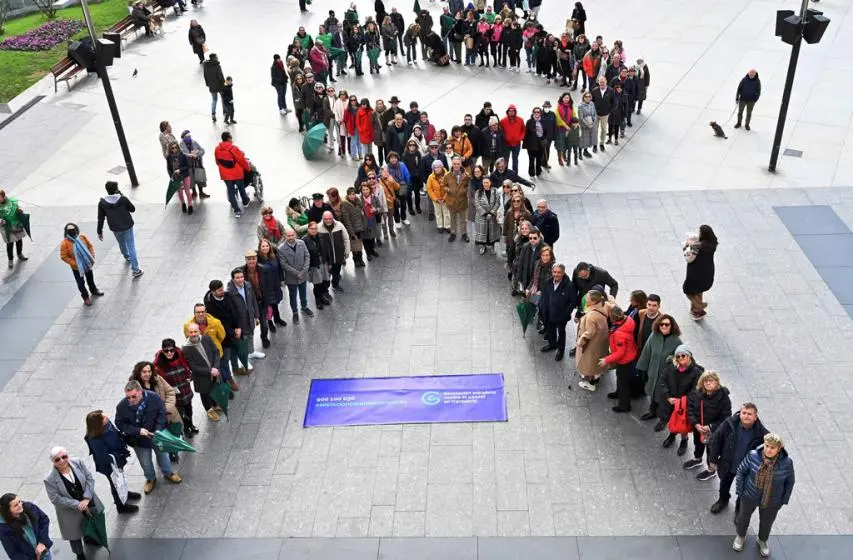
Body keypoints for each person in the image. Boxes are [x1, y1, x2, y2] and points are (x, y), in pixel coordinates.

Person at [115, 380, 182, 494]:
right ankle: (150, 479)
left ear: (140, 392)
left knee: (163, 456)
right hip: (139, 440)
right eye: (128, 397)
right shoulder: (121, 406)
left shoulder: (154, 398)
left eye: (133, 396)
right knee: (145, 462)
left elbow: (162, 413)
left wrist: (158, 430)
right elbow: (119, 423)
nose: (130, 400)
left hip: (156, 436)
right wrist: (138, 430)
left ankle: (168, 473)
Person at [733, 434, 795, 557]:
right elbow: (741, 472)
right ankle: (740, 535)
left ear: (779, 449)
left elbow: (790, 482)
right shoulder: (752, 456)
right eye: (767, 446)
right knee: (743, 518)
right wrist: (741, 492)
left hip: (772, 500)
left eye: (772, 447)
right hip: (749, 495)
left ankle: (762, 540)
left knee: (767, 522)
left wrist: (783, 500)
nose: (768, 450)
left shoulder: (787, 463)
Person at [707, 402, 770, 513]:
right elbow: (716, 440)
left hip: (746, 468)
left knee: (743, 490)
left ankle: (738, 508)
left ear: (755, 417)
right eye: (744, 413)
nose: (746, 416)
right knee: (724, 485)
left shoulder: (762, 433)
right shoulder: (729, 424)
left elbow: (772, 448)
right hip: (728, 463)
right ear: (740, 414)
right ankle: (723, 500)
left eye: (749, 414)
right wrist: (713, 459)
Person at [43, 446, 104, 560]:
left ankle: (90, 538)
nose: (62, 461)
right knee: (74, 535)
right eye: (57, 459)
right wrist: (78, 504)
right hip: (70, 510)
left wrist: (86, 498)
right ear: (53, 461)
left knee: (90, 521)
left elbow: (89, 478)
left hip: (88, 503)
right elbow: (55, 498)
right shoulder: (50, 479)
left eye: (64, 457)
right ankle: (79, 554)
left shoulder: (78, 463)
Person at [84, 410, 141, 514]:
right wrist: (117, 458)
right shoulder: (95, 439)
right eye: (103, 417)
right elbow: (103, 457)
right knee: (115, 484)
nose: (106, 417)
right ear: (98, 423)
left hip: (118, 459)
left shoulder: (107, 425)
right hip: (110, 466)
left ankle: (125, 493)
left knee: (120, 480)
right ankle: (121, 506)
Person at [659, 345, 705, 454]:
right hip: (672, 401)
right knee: (672, 420)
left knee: (683, 424)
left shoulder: (697, 372)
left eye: (683, 355)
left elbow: (696, 390)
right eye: (678, 356)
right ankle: (672, 435)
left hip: (685, 404)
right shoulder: (671, 367)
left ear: (689, 356)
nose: (680, 358)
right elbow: (663, 381)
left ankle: (684, 440)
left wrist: (681, 401)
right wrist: (668, 397)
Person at [684, 371, 732, 471]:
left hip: (714, 431)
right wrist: (696, 424)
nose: (708, 383)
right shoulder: (696, 393)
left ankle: (711, 470)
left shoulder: (723, 397)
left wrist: (710, 427)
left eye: (711, 381)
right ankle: (697, 458)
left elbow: (726, 417)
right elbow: (690, 409)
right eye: (705, 381)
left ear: (717, 382)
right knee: (698, 443)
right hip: (699, 428)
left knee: (712, 451)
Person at [93, 181, 142, 278]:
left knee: (121, 243)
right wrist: (122, 196)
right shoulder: (123, 199)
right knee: (131, 245)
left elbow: (100, 218)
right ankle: (136, 269)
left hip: (115, 228)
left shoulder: (102, 203)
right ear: (116, 189)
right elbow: (132, 209)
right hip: (127, 225)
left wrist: (99, 231)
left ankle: (126, 256)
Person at [202, 282, 241, 388]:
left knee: (233, 353)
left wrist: (238, 327)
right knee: (224, 360)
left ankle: (236, 369)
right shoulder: (210, 306)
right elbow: (221, 324)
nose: (222, 291)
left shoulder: (227, 296)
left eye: (222, 288)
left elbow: (235, 311)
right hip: (223, 338)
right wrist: (233, 333)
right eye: (219, 290)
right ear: (213, 292)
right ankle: (228, 379)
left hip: (233, 332)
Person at [600, 305, 638, 412]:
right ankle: (618, 392)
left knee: (623, 382)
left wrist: (606, 360)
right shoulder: (628, 320)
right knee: (620, 378)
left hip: (625, 360)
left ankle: (624, 405)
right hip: (630, 355)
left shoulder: (619, 334)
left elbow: (620, 352)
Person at [183, 322, 223, 421]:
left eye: (195, 331)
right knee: (204, 394)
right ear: (187, 333)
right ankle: (209, 410)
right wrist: (210, 371)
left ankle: (215, 404)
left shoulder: (206, 338)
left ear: (199, 331)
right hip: (201, 376)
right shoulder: (186, 348)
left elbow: (216, 352)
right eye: (191, 332)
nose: (193, 334)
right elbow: (193, 367)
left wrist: (215, 367)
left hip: (214, 371)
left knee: (214, 388)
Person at [226, 268, 264, 372]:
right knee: (242, 341)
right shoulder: (230, 292)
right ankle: (243, 360)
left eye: (241, 276)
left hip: (250, 317)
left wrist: (256, 315)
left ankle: (251, 352)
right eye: (237, 277)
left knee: (251, 334)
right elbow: (231, 311)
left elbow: (253, 301)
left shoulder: (248, 285)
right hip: (239, 321)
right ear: (233, 279)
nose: (240, 279)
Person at [539, 263, 577, 361]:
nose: (556, 274)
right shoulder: (548, 282)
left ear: (563, 273)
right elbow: (544, 296)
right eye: (554, 272)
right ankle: (552, 344)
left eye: (559, 272)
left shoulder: (570, 285)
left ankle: (560, 349)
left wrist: (565, 314)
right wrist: (543, 309)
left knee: (561, 332)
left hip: (561, 316)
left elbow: (573, 301)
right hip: (549, 313)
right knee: (550, 330)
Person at [0, 493, 53, 560]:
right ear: (7, 510)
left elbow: (44, 520)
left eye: (19, 501)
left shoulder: (30, 507)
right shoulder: (4, 529)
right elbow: (13, 552)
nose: (20, 505)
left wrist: (42, 542)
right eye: (16, 505)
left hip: (43, 550)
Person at [575, 290, 610, 391]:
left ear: (593, 302)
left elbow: (590, 332)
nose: (586, 299)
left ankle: (591, 382)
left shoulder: (591, 316)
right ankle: (595, 376)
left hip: (592, 343)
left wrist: (581, 340)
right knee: (597, 359)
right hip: (601, 340)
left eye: (588, 298)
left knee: (590, 361)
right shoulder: (605, 304)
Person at [60, 223, 102, 306]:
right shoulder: (65, 243)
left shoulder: (82, 237)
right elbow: (64, 256)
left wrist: (92, 255)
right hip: (76, 268)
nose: (72, 232)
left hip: (87, 264)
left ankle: (94, 290)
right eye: (69, 230)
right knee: (80, 283)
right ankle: (85, 297)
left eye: (73, 229)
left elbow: (90, 246)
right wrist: (75, 263)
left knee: (90, 278)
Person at [278, 229, 314, 322]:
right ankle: (295, 312)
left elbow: (307, 256)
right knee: (293, 296)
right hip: (291, 277)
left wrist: (304, 271)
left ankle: (304, 307)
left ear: (295, 235)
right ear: (285, 236)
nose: (290, 237)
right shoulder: (281, 248)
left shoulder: (301, 243)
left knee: (303, 293)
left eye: (292, 235)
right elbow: (284, 264)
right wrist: (297, 273)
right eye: (288, 236)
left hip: (303, 275)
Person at [683, 224, 717, 320]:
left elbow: (688, 255)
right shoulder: (713, 244)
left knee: (688, 290)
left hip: (696, 270)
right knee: (698, 290)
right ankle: (697, 312)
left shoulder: (698, 245)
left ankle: (699, 305)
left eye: (700, 232)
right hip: (708, 269)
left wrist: (687, 244)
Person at [214, 132, 252, 218]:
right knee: (241, 188)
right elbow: (241, 160)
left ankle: (237, 210)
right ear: (228, 139)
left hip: (225, 175)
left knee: (230, 192)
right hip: (237, 174)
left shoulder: (217, 149)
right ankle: (245, 201)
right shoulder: (234, 148)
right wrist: (248, 169)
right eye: (231, 138)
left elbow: (217, 161)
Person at [257, 239, 288, 328]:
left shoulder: (274, 256)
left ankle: (277, 318)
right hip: (265, 286)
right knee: (268, 305)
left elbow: (280, 269)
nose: (265, 248)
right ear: (260, 247)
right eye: (263, 246)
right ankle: (270, 322)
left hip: (275, 284)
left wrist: (282, 280)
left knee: (275, 303)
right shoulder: (258, 259)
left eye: (267, 246)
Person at [317, 211, 350, 292]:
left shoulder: (339, 225)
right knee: (326, 274)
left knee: (337, 271)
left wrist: (347, 251)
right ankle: (325, 290)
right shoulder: (318, 227)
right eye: (326, 219)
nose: (328, 220)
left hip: (338, 254)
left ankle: (335, 284)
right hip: (326, 257)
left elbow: (346, 238)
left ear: (332, 217)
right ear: (322, 218)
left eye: (330, 218)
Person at [0, 189, 29, 269]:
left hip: (16, 224)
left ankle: (20, 254)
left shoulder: (11, 201)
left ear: (3, 196)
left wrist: (19, 210)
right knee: (10, 243)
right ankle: (10, 260)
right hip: (6, 226)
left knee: (19, 240)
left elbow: (17, 207)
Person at [444, 157, 470, 242]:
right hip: (452, 201)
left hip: (462, 201)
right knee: (452, 219)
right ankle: (453, 233)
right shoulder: (447, 175)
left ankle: (464, 234)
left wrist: (464, 190)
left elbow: (469, 186)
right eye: (454, 164)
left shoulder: (466, 175)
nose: (456, 166)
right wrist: (449, 190)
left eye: (458, 164)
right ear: (452, 164)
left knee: (464, 220)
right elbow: (443, 185)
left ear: (460, 164)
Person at [473, 176, 501, 255]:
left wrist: (492, 213)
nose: (485, 184)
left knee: (491, 233)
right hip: (481, 217)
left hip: (492, 217)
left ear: (490, 183)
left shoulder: (495, 191)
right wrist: (485, 214)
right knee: (482, 232)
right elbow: (477, 204)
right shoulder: (478, 192)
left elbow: (498, 202)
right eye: (484, 182)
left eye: (487, 182)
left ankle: (492, 247)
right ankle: (482, 246)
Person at [340, 187, 367, 267]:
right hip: (352, 229)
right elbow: (346, 221)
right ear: (347, 195)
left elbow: (362, 214)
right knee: (354, 246)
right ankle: (356, 260)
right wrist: (351, 233)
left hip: (359, 228)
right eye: (350, 195)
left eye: (353, 194)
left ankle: (361, 259)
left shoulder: (358, 202)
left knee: (359, 245)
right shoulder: (345, 205)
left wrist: (363, 225)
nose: (352, 196)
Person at [166, 141, 194, 214]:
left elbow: (188, 166)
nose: (174, 149)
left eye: (176, 147)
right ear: (170, 149)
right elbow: (169, 168)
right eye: (172, 148)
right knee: (180, 192)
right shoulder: (169, 157)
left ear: (178, 147)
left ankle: (190, 205)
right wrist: (171, 176)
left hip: (185, 175)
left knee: (187, 191)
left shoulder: (183, 155)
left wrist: (180, 170)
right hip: (176, 177)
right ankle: (183, 204)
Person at [426, 160, 451, 233]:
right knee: (438, 213)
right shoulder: (430, 177)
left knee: (446, 213)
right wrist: (435, 199)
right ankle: (440, 226)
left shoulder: (448, 175)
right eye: (435, 167)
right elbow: (429, 189)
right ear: (433, 168)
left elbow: (450, 187)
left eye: (439, 167)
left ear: (442, 167)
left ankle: (447, 226)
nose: (437, 169)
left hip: (446, 198)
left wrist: (444, 198)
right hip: (436, 199)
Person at [500, 105, 526, 172]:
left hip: (516, 144)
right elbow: (500, 131)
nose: (511, 112)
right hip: (506, 144)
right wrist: (504, 138)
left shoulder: (520, 120)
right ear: (507, 112)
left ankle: (515, 174)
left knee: (515, 160)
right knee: (505, 160)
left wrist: (520, 138)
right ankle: (504, 173)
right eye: (510, 111)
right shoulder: (503, 121)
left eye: (513, 111)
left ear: (515, 112)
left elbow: (523, 130)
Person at [591, 77, 613, 152]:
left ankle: (601, 143)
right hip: (596, 114)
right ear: (599, 83)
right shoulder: (594, 91)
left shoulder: (610, 91)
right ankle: (594, 145)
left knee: (603, 129)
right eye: (600, 82)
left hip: (605, 114)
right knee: (595, 129)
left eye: (603, 82)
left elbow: (613, 102)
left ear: (606, 82)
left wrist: (609, 111)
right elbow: (591, 102)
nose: (602, 83)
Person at [203, 53, 226, 123]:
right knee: (223, 98)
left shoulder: (206, 66)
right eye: (216, 57)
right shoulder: (217, 66)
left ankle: (213, 113)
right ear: (214, 58)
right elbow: (221, 76)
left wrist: (208, 84)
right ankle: (224, 112)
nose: (217, 58)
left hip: (212, 86)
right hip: (219, 86)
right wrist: (224, 85)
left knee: (214, 100)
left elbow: (205, 76)